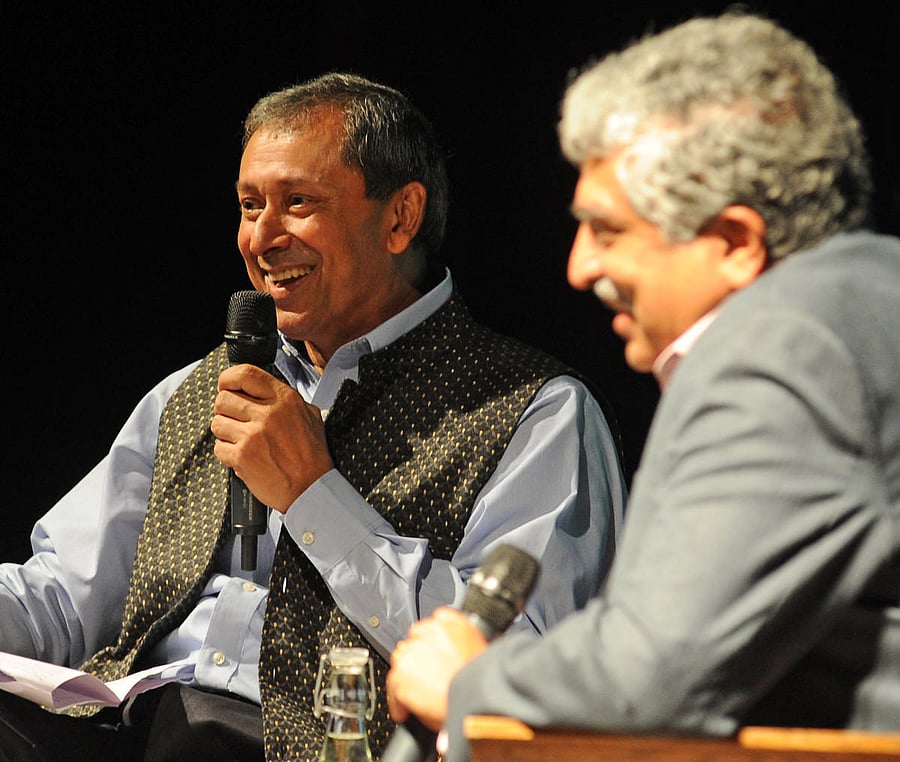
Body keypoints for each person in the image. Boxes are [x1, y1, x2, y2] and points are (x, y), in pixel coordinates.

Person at [0, 73, 627, 761]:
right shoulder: (199, 389)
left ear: (400, 218)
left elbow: (516, 671)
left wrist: (313, 494)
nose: (262, 238)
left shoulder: (536, 410)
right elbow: (59, 597)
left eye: (298, 203)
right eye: (248, 206)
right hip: (128, 729)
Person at [385, 11, 900, 761]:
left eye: (609, 231)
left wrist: (471, 681)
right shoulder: (862, 298)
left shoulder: (785, 350)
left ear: (733, 243)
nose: (579, 268)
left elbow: (652, 669)